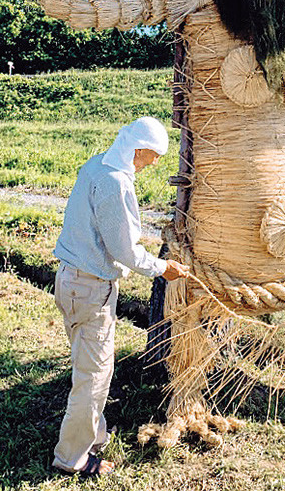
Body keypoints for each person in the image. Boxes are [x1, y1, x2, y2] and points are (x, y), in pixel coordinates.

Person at [52, 116, 189, 477]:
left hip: (72, 280)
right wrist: (163, 268)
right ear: (137, 149)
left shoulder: (97, 164)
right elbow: (125, 250)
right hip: (90, 287)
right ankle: (73, 459)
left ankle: (93, 436)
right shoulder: (114, 183)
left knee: (90, 368)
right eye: (154, 155)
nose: (155, 162)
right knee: (94, 377)